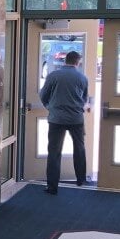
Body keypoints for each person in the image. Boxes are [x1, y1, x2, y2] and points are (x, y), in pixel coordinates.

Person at [39, 50, 88, 195]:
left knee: (54, 152)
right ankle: (80, 180)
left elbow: (43, 95)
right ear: (77, 62)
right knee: (79, 149)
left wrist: (50, 107)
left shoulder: (54, 76)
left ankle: (52, 186)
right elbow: (84, 99)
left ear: (65, 60)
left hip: (56, 119)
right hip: (76, 119)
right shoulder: (82, 78)